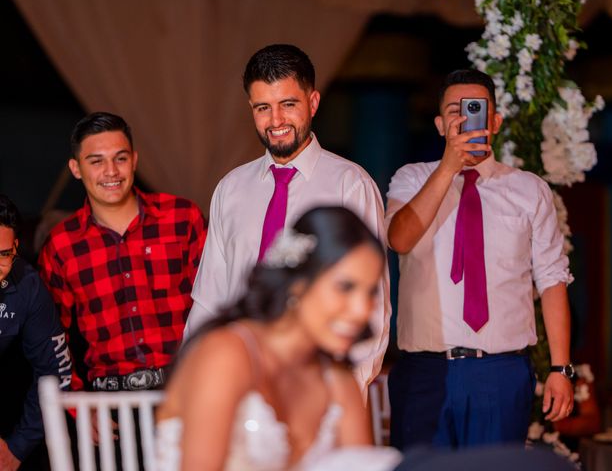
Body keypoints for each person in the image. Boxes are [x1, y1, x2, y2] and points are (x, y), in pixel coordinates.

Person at [184, 44, 391, 392]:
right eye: (263, 108)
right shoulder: (231, 188)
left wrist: (344, 392)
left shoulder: (350, 185)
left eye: (288, 104)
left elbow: (372, 303)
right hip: (239, 380)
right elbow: (210, 299)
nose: (276, 121)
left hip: (319, 382)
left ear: (312, 103)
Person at [385, 69, 574, 449]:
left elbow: (552, 279)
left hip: (500, 371)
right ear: (440, 124)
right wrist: (448, 168)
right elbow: (399, 239)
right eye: (454, 110)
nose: (463, 117)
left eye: (475, 108)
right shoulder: (411, 179)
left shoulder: (528, 189)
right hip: (425, 370)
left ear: (495, 122)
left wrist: (560, 368)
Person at [157, 207, 401, 471]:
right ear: (298, 283)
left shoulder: (339, 382)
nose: (362, 309)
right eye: (345, 287)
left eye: (370, 292)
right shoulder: (227, 354)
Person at [38, 112, 207, 392]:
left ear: (134, 160)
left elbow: (219, 303)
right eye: (96, 161)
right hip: (110, 404)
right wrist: (76, 401)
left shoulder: (182, 217)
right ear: (76, 168)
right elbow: (49, 337)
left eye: (120, 158)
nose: (111, 171)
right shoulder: (61, 245)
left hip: (189, 388)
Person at [0, 194, 72, 470]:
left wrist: (17, 448)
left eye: (3, 254)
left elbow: (54, 372)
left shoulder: (28, 287)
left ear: (16, 249)